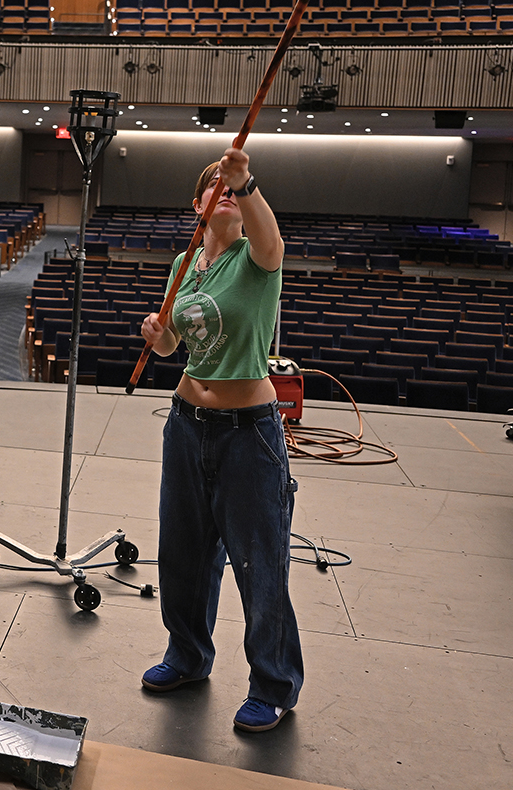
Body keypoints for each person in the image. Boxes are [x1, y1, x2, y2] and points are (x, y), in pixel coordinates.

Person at [138, 146, 302, 734]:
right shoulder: (184, 266)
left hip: (247, 432)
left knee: (260, 563)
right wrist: (157, 335)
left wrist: (247, 182)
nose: (224, 191)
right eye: (215, 186)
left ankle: (274, 685)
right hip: (186, 424)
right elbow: (172, 348)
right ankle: (186, 656)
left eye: (229, 186)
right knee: (183, 554)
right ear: (198, 206)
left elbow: (271, 241)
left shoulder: (256, 259)